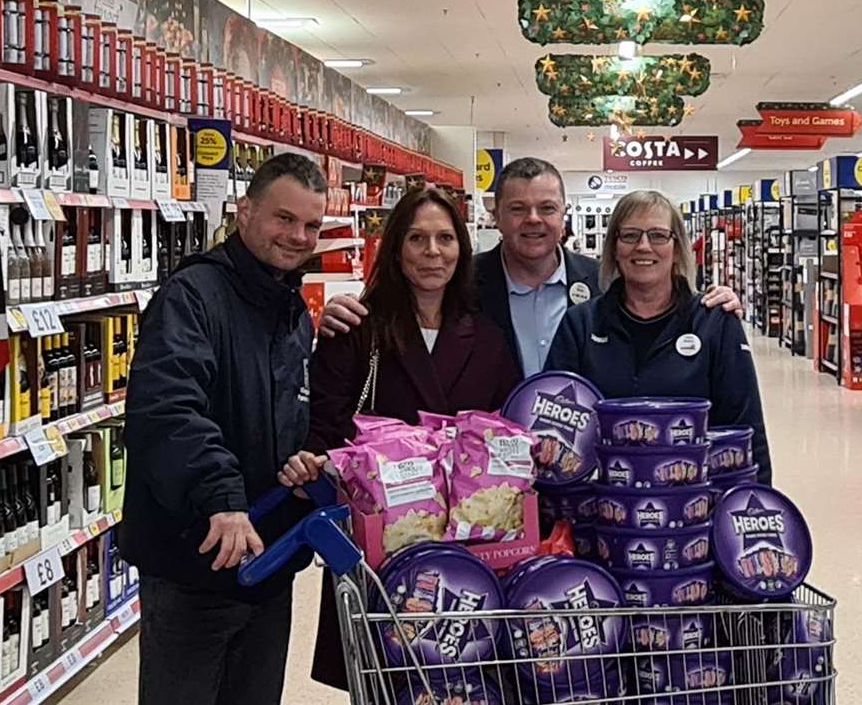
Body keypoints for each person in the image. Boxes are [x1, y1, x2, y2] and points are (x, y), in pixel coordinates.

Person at [121, 153, 328, 705]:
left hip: (265, 560)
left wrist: (303, 460)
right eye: (284, 219)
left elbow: (282, 412)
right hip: (198, 559)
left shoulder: (289, 308)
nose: (298, 236)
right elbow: (167, 408)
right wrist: (222, 495)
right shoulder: (192, 297)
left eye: (311, 225)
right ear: (245, 214)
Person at [299, 185, 521, 688]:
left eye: (445, 238)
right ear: (396, 249)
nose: (433, 252)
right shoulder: (357, 330)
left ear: (462, 249)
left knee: (463, 681)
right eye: (418, 238)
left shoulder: (486, 338)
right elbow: (326, 431)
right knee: (382, 682)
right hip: (381, 550)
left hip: (470, 549)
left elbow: (507, 437)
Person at [322, 157, 741, 376]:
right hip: (487, 467)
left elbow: (659, 307)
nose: (534, 220)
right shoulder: (463, 281)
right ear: (496, 216)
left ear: (564, 215)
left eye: (547, 208)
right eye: (518, 209)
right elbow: (404, 309)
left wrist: (714, 302)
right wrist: (344, 313)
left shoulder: (604, 281)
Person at [546, 189, 772, 485]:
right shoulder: (580, 323)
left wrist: (755, 508)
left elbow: (746, 429)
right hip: (601, 510)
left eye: (657, 235)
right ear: (614, 247)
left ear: (677, 247)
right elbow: (552, 427)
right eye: (629, 235)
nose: (643, 246)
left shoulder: (714, 322)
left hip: (693, 512)